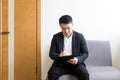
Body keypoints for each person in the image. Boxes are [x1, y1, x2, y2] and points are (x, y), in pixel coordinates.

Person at [48, 15, 89, 80]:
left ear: (72, 25)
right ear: (60, 26)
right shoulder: (56, 37)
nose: (66, 31)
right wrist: (59, 55)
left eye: (68, 28)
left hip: (76, 64)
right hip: (60, 64)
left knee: (85, 74)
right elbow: (51, 54)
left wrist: (78, 59)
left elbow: (85, 53)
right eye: (63, 28)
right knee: (51, 74)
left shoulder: (80, 36)